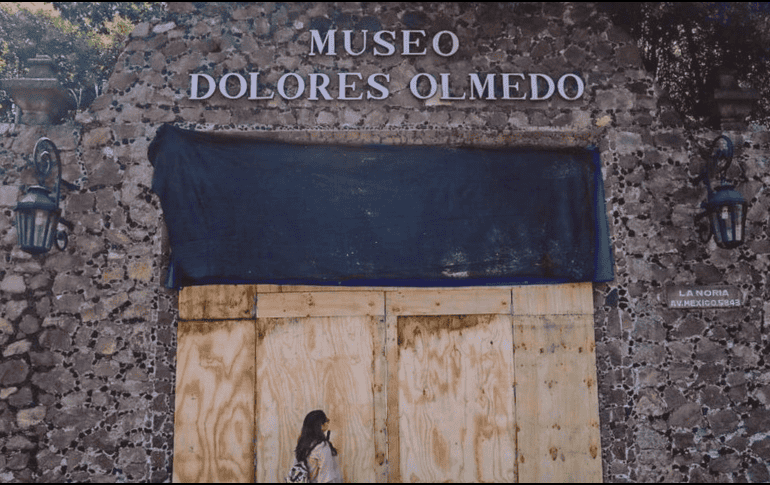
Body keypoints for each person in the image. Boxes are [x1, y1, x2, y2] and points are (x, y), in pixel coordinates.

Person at [293, 410, 342, 483]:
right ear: (320, 425)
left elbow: (295, 472)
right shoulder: (322, 446)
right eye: (326, 420)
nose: (327, 423)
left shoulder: (303, 445)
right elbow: (326, 477)